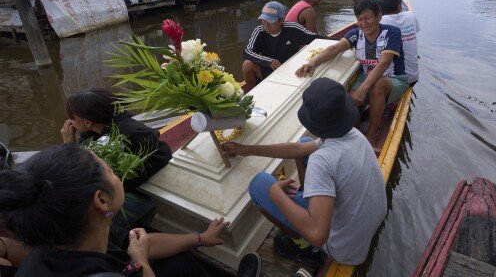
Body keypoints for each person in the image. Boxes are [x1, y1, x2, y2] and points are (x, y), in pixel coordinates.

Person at [0, 144, 261, 277]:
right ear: (101, 200)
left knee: (178, 260)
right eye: (110, 171)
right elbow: (140, 252)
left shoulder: (67, 236)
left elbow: (141, 241)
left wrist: (199, 239)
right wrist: (140, 263)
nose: (116, 176)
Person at [223, 78, 386, 268]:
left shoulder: (322, 161)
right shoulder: (353, 134)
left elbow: (318, 234)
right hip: (367, 224)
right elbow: (298, 150)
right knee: (303, 143)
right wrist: (247, 149)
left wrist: (276, 194)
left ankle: (304, 247)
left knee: (259, 185)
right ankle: (310, 204)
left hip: (343, 248)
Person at [296, 0, 408, 144]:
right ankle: (352, 135)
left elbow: (384, 62)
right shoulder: (356, 33)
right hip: (366, 76)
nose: (363, 23)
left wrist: (364, 87)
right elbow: (335, 48)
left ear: (379, 16)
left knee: (378, 85)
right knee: (349, 100)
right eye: (360, 19)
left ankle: (373, 133)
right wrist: (313, 62)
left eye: (367, 18)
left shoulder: (392, 33)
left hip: (394, 78)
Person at [61, 88, 173, 227]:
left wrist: (122, 180)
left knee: (99, 218)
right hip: (114, 191)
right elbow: (83, 167)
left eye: (72, 118)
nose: (69, 122)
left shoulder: (131, 131)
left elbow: (163, 152)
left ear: (87, 121)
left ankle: (113, 233)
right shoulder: (91, 133)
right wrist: (70, 146)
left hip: (137, 193)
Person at [243, 1, 322, 91]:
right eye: (263, 21)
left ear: (281, 20)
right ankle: (253, 94)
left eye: (270, 22)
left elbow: (315, 38)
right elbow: (246, 52)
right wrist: (269, 61)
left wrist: (341, 42)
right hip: (269, 69)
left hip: (291, 71)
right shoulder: (259, 31)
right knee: (247, 65)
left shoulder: (293, 29)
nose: (266, 25)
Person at [380, 0, 420, 85]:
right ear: (399, 7)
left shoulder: (381, 22)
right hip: (413, 77)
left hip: (393, 79)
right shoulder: (411, 16)